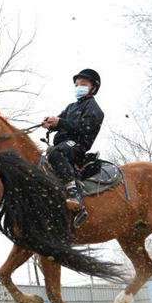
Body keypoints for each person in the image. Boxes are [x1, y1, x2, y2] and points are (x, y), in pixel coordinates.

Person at [41, 69, 104, 211]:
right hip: (62, 144)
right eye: (76, 85)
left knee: (56, 153)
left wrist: (60, 122)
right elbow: (60, 121)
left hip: (77, 145)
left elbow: (85, 127)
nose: (78, 87)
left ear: (93, 87)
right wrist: (50, 124)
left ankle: (74, 193)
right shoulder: (71, 107)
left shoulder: (94, 108)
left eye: (83, 83)